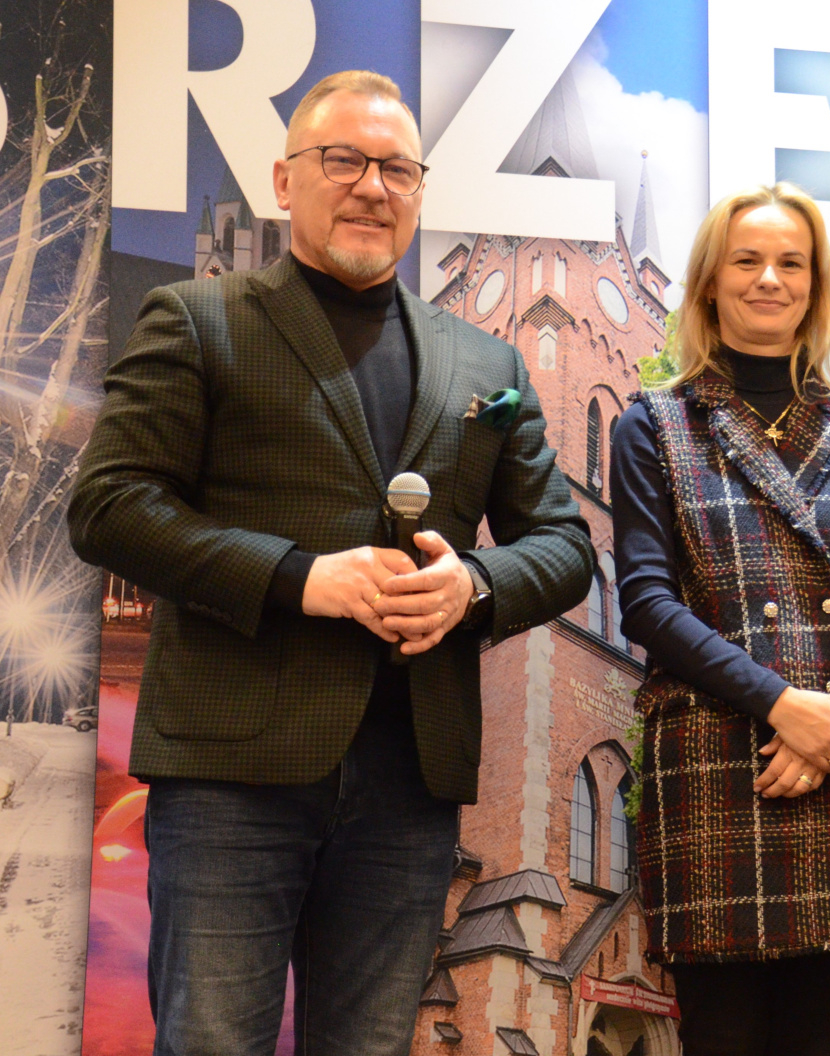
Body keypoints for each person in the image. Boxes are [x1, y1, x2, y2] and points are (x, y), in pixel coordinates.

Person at [68, 71, 594, 1056]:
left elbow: (565, 548)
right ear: (284, 179)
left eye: (396, 168)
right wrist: (300, 578)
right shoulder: (196, 319)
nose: (370, 186)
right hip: (230, 776)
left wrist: (473, 587)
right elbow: (109, 506)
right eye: (342, 160)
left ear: (420, 190)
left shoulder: (490, 368)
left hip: (409, 789)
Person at [610, 183, 830, 1056]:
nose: (769, 279)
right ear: (711, 282)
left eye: (792, 263)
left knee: (823, 1038)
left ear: (816, 286)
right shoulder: (655, 425)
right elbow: (648, 603)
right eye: (746, 261)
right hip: (718, 766)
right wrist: (785, 707)